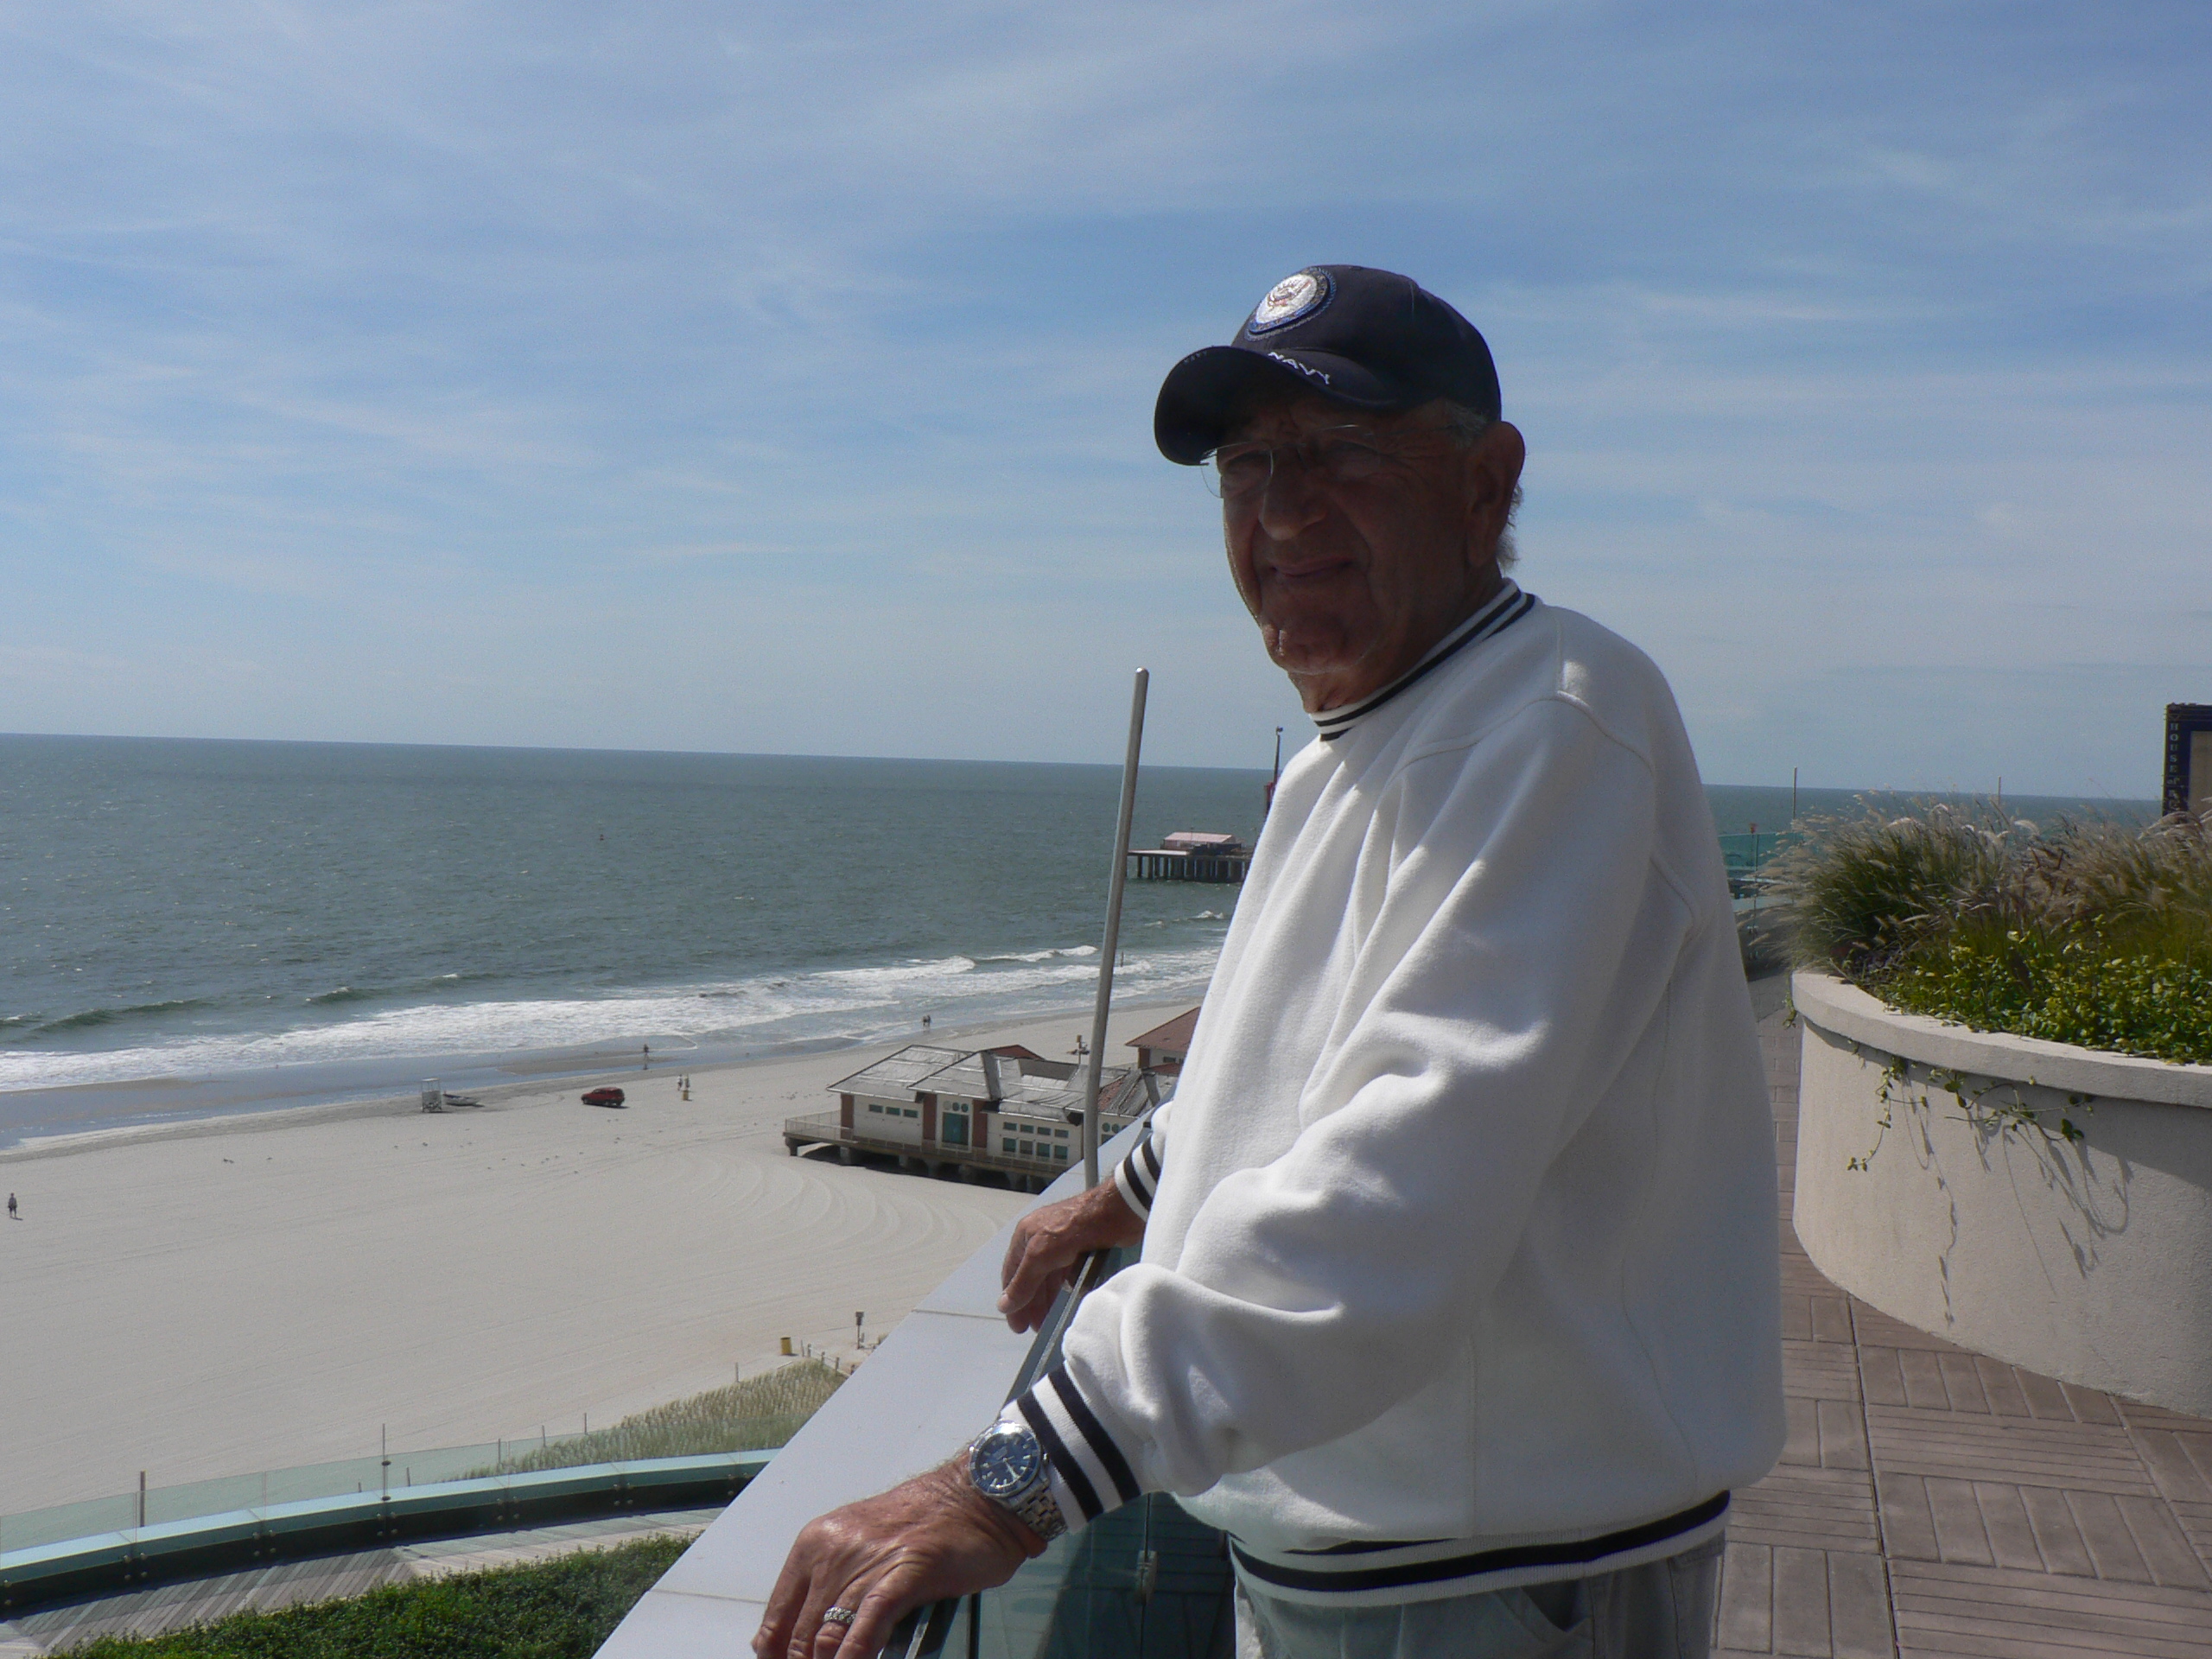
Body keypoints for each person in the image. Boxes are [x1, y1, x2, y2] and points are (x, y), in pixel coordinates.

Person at [756, 266, 1783, 1659]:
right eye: (1247, 468)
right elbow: (1288, 1065)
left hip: (1500, 1588)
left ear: (1485, 484)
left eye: (1341, 453)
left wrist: (1009, 1483)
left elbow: (1396, 1186)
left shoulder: (1551, 723)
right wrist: (1118, 1198)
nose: (1283, 512)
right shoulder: (1363, 747)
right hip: (1360, 1559)